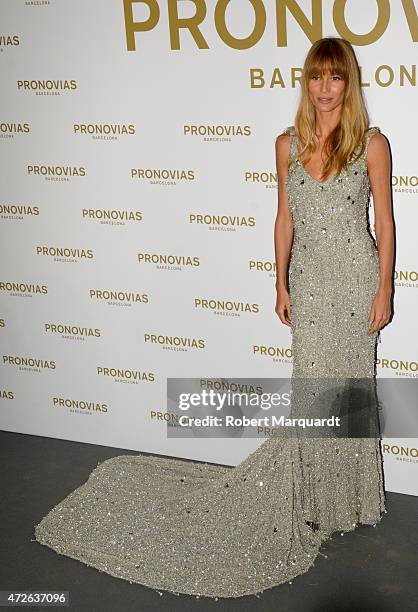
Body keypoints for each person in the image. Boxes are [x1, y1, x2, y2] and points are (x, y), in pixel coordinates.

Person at [33, 37, 394, 600]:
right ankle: (310, 495)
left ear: (349, 83)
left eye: (335, 78)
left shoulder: (373, 144)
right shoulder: (286, 144)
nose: (324, 90)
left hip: (355, 281)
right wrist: (278, 280)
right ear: (307, 84)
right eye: (316, 79)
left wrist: (386, 287)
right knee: (310, 388)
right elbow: (282, 218)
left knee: (349, 387)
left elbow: (386, 224)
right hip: (310, 285)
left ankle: (347, 499)